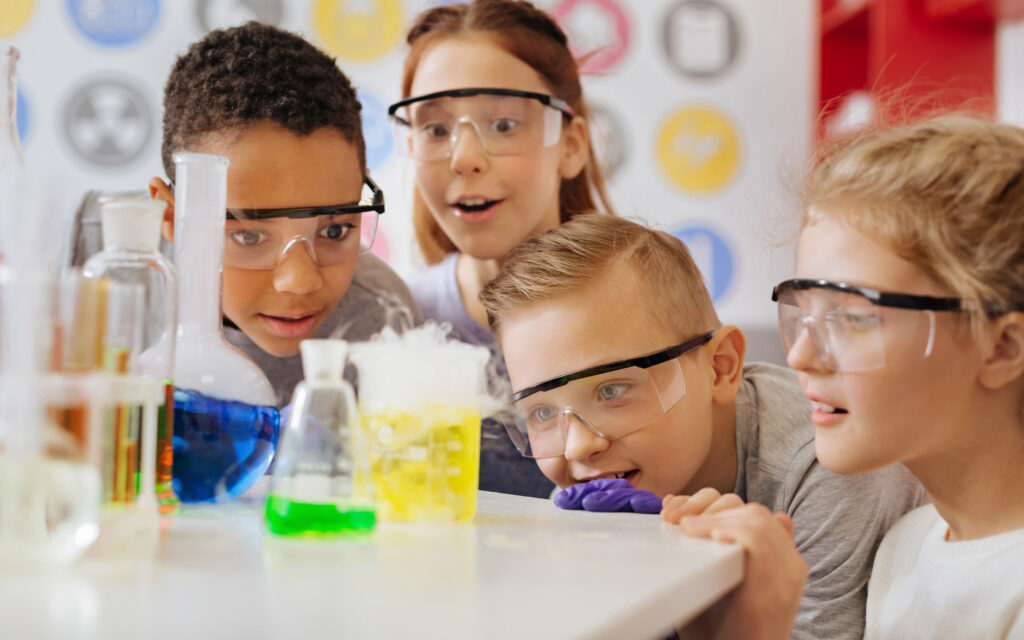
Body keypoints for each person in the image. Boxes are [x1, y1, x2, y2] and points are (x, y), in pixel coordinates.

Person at [478, 214, 925, 640]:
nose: (577, 447)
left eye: (612, 390)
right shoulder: (595, 487)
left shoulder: (827, 467)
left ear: (721, 368)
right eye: (541, 413)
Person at [686, 114, 1024, 639]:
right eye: (802, 312)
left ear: (1002, 346)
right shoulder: (906, 546)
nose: (799, 354)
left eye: (854, 317)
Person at [390, 0, 615, 497]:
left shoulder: (641, 314)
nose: (464, 158)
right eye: (436, 129)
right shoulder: (397, 323)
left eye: (504, 124)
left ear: (572, 144)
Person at [149, 22, 421, 406]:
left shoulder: (381, 321)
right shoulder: (96, 285)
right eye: (249, 235)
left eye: (334, 231)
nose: (299, 282)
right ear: (171, 217)